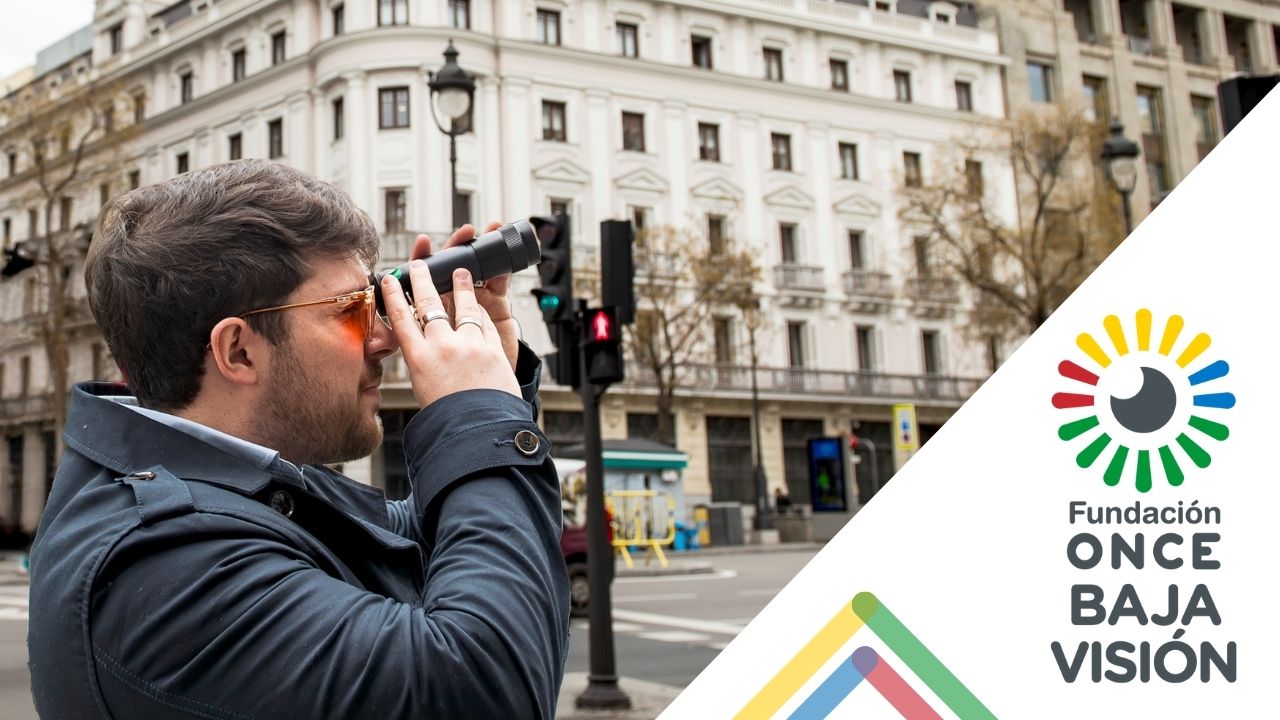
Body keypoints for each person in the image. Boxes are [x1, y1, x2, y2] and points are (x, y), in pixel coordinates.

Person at [27, 160, 569, 718]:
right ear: (238, 351)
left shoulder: (228, 489)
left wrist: (496, 386)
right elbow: (485, 691)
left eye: (375, 302)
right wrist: (478, 415)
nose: (384, 338)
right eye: (350, 310)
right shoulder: (164, 567)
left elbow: (418, 544)